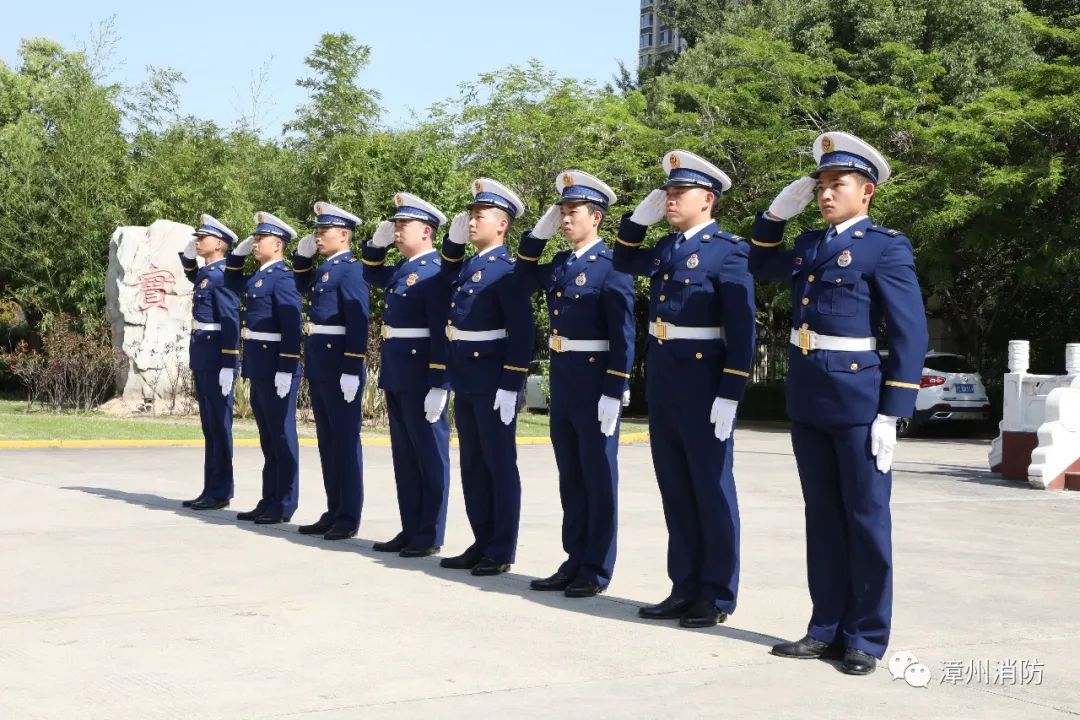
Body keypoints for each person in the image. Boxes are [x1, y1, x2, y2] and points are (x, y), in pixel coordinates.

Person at [749, 131, 929, 675]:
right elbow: (760, 264)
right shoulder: (809, 244)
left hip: (858, 399)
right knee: (822, 517)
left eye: (838, 184)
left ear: (866, 191)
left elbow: (910, 331)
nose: (826, 194)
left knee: (866, 519)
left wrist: (893, 410)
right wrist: (774, 217)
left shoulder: (885, 246)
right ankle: (825, 627)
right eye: (821, 185)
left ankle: (865, 638)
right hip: (809, 396)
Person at [613, 150, 755, 628]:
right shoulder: (667, 248)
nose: (670, 200)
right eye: (667, 192)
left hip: (705, 382)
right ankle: (684, 586)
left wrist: (731, 391)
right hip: (666, 378)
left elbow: (743, 328)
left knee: (711, 489)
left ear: (707, 199)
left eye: (679, 192)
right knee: (675, 489)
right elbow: (622, 257)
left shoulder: (729, 250)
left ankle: (715, 595)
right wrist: (637, 221)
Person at [514, 170, 635, 598]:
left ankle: (596, 568)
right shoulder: (562, 264)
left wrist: (615, 388)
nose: (565, 220)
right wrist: (537, 236)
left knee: (598, 476)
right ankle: (574, 559)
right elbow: (522, 279)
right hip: (564, 380)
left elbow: (624, 333)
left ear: (596, 217)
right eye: (561, 213)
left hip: (595, 382)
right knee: (571, 476)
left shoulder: (613, 265)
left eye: (573, 212)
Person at [436, 178, 535, 576]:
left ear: (502, 225)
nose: (472, 222)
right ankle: (482, 540)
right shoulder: (471, 267)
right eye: (471, 215)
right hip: (466, 375)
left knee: (498, 464)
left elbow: (523, 332)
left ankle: (501, 548)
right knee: (473, 466)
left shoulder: (507, 271)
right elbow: (444, 278)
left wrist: (512, 383)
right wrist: (452, 244)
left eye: (480, 216)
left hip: (493, 379)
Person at [360, 193, 452, 557]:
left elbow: (441, 331)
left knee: (429, 456)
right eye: (395, 225)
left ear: (426, 231)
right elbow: (370, 273)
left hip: (421, 375)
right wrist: (376, 245)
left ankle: (430, 533)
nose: (396, 231)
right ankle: (411, 527)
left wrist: (439, 382)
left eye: (403, 225)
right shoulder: (403, 269)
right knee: (406, 458)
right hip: (398, 370)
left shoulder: (436, 271)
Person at [290, 202, 369, 541]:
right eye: (317, 230)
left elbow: (358, 321)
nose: (318, 236)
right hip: (322, 364)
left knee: (344, 443)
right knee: (328, 442)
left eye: (324, 231)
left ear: (344, 235)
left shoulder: (351, 270)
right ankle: (334, 509)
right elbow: (301, 285)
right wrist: (302, 259)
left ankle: (348, 516)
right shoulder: (327, 269)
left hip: (339, 367)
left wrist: (352, 365)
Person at [222, 212, 303, 525]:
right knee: (268, 438)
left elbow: (292, 326)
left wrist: (287, 366)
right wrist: (237, 255)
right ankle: (269, 498)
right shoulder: (259, 276)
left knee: (282, 436)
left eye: (260, 239)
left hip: (276, 367)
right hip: (259, 365)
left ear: (278, 244)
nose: (255, 243)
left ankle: (284, 503)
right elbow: (231, 281)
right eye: (254, 239)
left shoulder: (283, 278)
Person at [178, 214, 240, 511]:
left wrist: (229, 362)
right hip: (204, 355)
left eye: (203, 238)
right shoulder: (208, 273)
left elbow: (230, 321)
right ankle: (211, 487)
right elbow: (194, 275)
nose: (198, 241)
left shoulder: (222, 275)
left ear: (219, 244)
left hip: (217, 358)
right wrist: (187, 259)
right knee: (210, 427)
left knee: (219, 426)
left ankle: (220, 490)